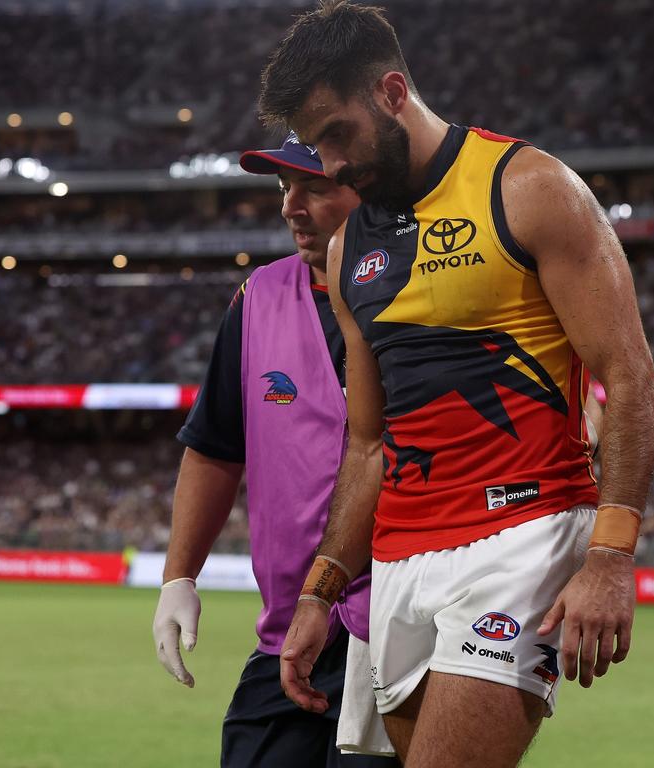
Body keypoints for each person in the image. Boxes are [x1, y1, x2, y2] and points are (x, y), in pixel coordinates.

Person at [256, 3, 654, 766]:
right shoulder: (350, 253)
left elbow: (630, 377)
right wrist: (322, 588)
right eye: (317, 145)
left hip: (525, 531)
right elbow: (370, 443)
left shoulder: (530, 187)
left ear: (391, 92)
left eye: (337, 133)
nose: (332, 164)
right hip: (402, 557)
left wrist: (611, 553)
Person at [151, 131, 399, 768]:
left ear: (368, 190)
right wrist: (179, 575)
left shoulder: (426, 295)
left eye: (315, 187)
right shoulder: (257, 297)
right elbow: (213, 449)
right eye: (284, 187)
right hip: (288, 631)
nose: (291, 205)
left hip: (397, 628)